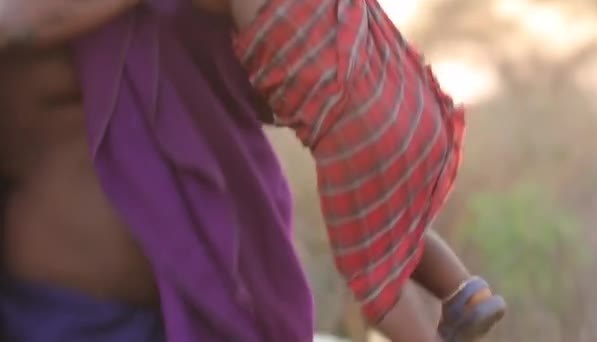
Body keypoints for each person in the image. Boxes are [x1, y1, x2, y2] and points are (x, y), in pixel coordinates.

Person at [0, 1, 503, 342]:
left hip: (228, 287)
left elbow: (273, 87)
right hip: (69, 314)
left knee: (386, 255)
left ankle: (458, 298)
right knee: (382, 273)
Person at [229, 0, 506, 340]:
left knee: (374, 288)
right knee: (392, 231)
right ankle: (467, 292)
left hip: (360, 141)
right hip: (411, 102)